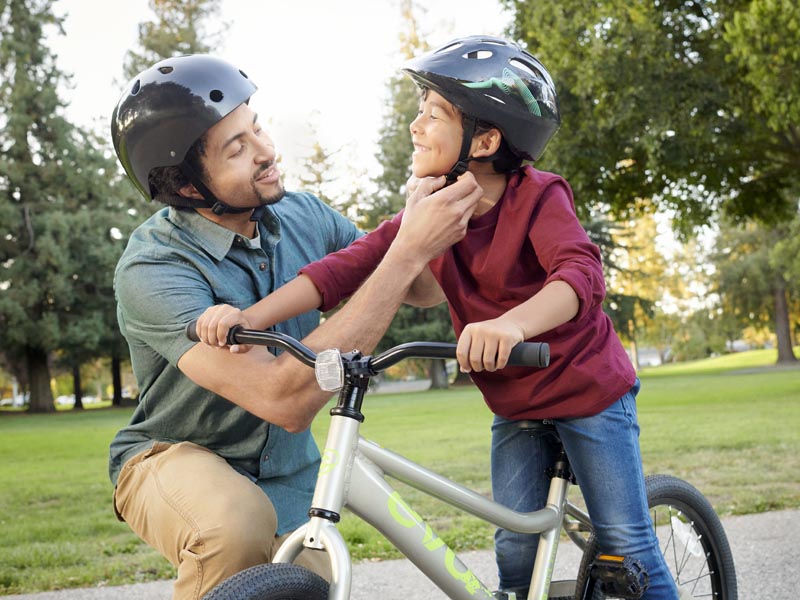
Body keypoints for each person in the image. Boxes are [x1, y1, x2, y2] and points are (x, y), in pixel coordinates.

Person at [196, 37, 680, 599]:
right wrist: (247, 316)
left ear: (486, 140)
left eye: (432, 114)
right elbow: (343, 269)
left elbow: (579, 279)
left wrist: (510, 326)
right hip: (516, 403)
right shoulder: (432, 212)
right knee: (515, 550)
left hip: (589, 393)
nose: (415, 126)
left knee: (626, 546)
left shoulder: (540, 198)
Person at [108, 54, 482, 600]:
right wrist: (404, 254)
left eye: (255, 127)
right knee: (233, 529)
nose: (266, 151)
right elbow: (282, 399)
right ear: (187, 187)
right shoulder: (154, 267)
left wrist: (419, 214)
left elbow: (422, 289)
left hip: (290, 474)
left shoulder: (308, 216)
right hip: (173, 455)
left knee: (309, 585)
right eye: (236, 148)